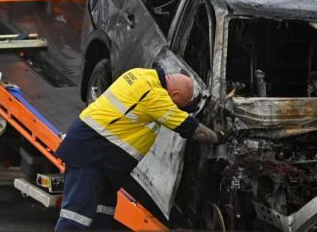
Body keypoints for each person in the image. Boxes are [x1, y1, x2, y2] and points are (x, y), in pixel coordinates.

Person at [54, 66, 222, 230]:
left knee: (101, 217)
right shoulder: (155, 97)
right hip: (90, 156)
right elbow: (195, 130)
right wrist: (219, 137)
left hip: (102, 160)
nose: (178, 110)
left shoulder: (140, 74)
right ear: (175, 94)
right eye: (179, 106)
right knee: (75, 218)